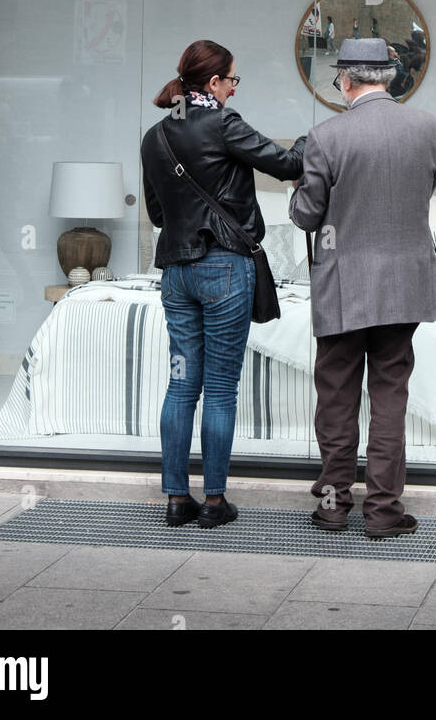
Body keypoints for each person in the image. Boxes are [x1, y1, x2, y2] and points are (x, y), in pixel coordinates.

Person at [141, 39, 305, 528]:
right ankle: (213, 502)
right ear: (212, 83)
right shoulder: (222, 123)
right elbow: (289, 166)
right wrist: (312, 141)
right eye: (232, 80)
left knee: (180, 385)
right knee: (219, 389)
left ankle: (175, 499)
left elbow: (155, 212)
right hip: (224, 268)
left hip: (175, 271)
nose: (235, 88)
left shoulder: (155, 136)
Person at [289, 38, 436, 538]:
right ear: (389, 78)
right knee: (389, 396)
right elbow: (425, 186)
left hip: (342, 285)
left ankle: (334, 506)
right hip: (405, 282)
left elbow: (307, 215)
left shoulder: (325, 135)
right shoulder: (427, 127)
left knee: (336, 395)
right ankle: (383, 511)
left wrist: (300, 190)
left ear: (346, 80)